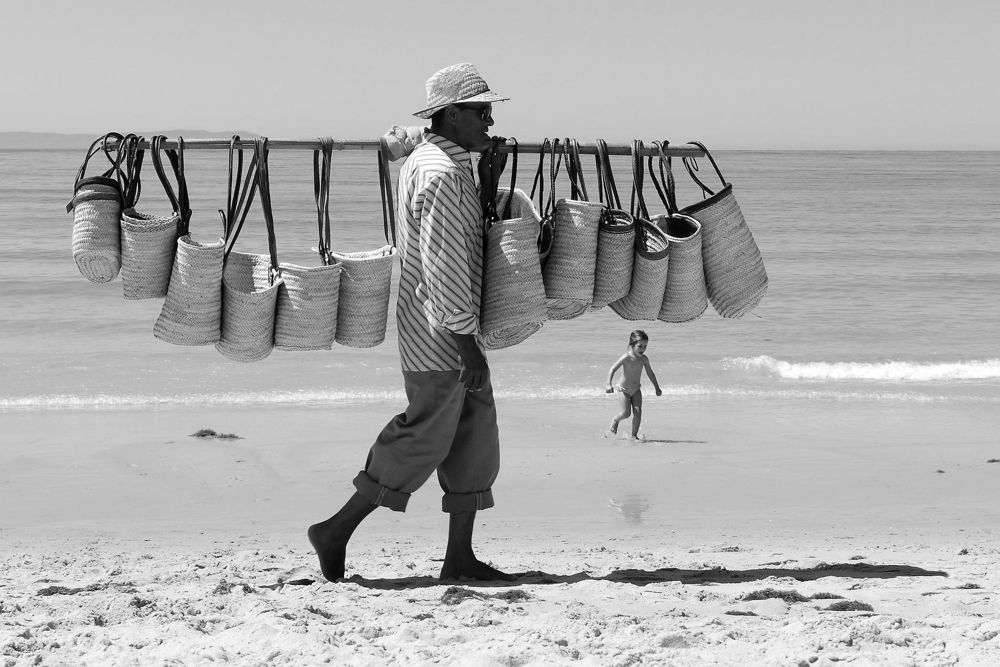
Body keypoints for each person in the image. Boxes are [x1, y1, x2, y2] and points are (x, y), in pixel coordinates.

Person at [308, 63, 513, 582]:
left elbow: (416, 140)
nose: (490, 119)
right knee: (424, 436)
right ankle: (334, 530)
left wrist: (484, 172)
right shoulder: (442, 175)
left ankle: (459, 557)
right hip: (440, 331)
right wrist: (466, 343)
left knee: (473, 435)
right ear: (451, 114)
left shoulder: (433, 158)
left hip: (448, 326)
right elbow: (444, 263)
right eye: (480, 110)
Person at [605, 330, 662, 440]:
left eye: (645, 346)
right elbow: (612, 369)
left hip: (636, 389)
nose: (643, 349)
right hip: (623, 389)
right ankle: (616, 420)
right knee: (626, 413)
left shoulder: (644, 359)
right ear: (632, 344)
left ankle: (634, 435)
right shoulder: (626, 357)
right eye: (640, 346)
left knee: (638, 412)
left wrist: (657, 387)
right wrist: (608, 384)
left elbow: (650, 373)